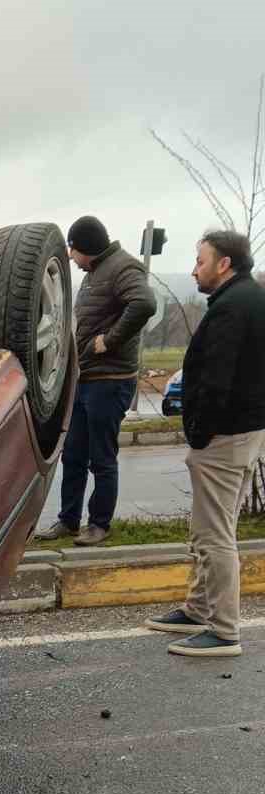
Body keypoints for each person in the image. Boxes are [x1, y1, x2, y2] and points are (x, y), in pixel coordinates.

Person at [145, 231, 265, 658]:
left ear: (224, 264)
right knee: (211, 529)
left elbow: (218, 380)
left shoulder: (233, 308)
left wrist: (199, 430)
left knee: (214, 535)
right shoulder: (246, 298)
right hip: (239, 432)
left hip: (224, 437)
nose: (194, 269)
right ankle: (199, 608)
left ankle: (223, 630)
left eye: (200, 261)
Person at [36, 216, 156, 546]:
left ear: (84, 247)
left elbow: (145, 303)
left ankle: (99, 525)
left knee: (101, 458)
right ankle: (68, 520)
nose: (71, 257)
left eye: (72, 250)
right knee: (73, 454)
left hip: (110, 380)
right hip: (85, 379)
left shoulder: (123, 267)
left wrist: (111, 340)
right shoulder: (94, 273)